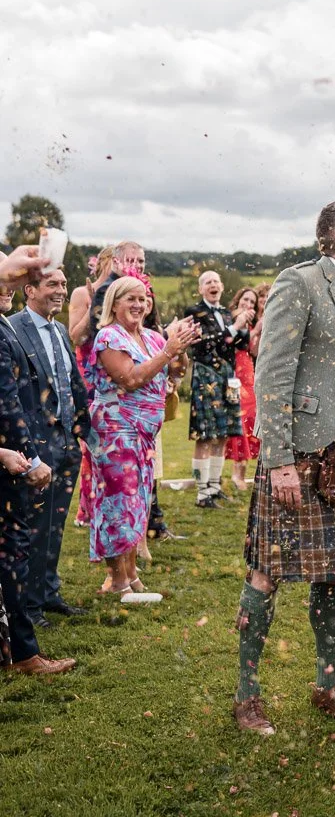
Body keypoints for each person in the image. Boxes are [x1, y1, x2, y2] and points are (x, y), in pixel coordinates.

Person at [233, 199, 335, 737]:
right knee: (268, 571)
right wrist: (278, 460)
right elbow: (272, 374)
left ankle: (327, 685)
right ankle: (247, 695)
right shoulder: (300, 283)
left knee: (332, 572)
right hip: (296, 456)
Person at [86, 277, 198, 602]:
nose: (139, 305)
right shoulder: (109, 336)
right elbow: (130, 378)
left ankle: (132, 574)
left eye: (143, 298)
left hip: (145, 435)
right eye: (131, 299)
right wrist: (167, 353)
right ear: (115, 303)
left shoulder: (150, 336)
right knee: (117, 504)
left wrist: (179, 357)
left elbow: (170, 372)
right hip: (115, 433)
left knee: (138, 504)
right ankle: (117, 579)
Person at [0, 264, 73, 675]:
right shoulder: (6, 328)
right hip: (16, 456)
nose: (6, 288)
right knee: (13, 552)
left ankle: (13, 648)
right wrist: (29, 455)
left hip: (30, 448)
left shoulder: (6, 324)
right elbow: (8, 403)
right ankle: (25, 653)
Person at [10, 269, 93, 626]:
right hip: (33, 443)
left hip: (65, 442)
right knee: (34, 526)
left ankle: (48, 592)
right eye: (52, 285)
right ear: (29, 290)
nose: (61, 290)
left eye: (63, 284)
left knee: (55, 523)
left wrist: (80, 433)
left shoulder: (59, 330)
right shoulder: (14, 328)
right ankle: (27, 605)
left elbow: (72, 383)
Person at [185, 271, 253, 508]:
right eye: (208, 282)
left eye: (216, 281)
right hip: (206, 376)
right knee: (205, 435)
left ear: (222, 287)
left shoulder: (225, 313)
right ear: (201, 288)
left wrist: (242, 326)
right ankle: (202, 493)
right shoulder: (194, 313)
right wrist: (235, 327)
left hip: (229, 378)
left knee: (225, 433)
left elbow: (240, 344)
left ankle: (214, 487)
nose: (213, 285)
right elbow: (207, 344)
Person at [68, 246, 115, 528]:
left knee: (112, 444)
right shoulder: (81, 293)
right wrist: (96, 303)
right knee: (91, 443)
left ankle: (109, 503)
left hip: (113, 373)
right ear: (100, 264)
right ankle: (87, 509)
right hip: (87, 372)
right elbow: (76, 335)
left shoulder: (123, 294)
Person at [225, 287, 260, 490]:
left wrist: (257, 330)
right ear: (238, 300)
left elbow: (253, 350)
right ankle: (236, 475)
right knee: (237, 421)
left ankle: (244, 473)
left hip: (248, 372)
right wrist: (255, 330)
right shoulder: (231, 320)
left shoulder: (249, 322)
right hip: (232, 375)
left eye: (252, 302)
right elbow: (232, 343)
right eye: (245, 299)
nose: (248, 304)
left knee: (250, 421)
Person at [88, 240, 147, 338]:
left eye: (141, 261)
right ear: (115, 262)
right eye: (130, 260)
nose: (137, 265)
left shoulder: (141, 287)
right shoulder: (106, 290)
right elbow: (101, 333)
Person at [249, 282, 271, 359]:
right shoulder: (249, 317)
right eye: (261, 296)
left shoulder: (271, 320)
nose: (265, 299)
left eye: (268, 296)